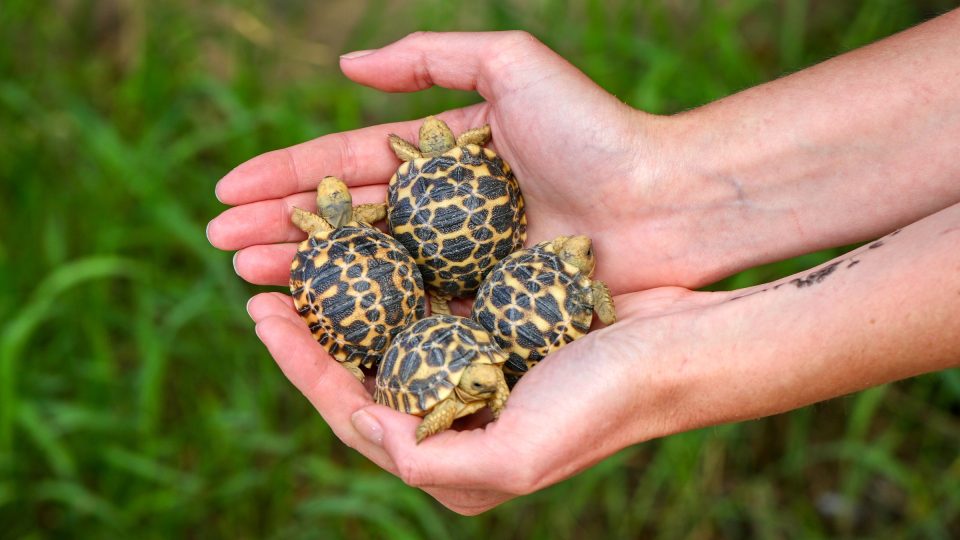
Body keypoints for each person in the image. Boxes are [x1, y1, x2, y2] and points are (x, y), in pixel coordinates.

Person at [206, 9, 960, 515]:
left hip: (474, 297)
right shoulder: (421, 267)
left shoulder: (482, 310)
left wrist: (662, 369)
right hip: (436, 295)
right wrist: (670, 187)